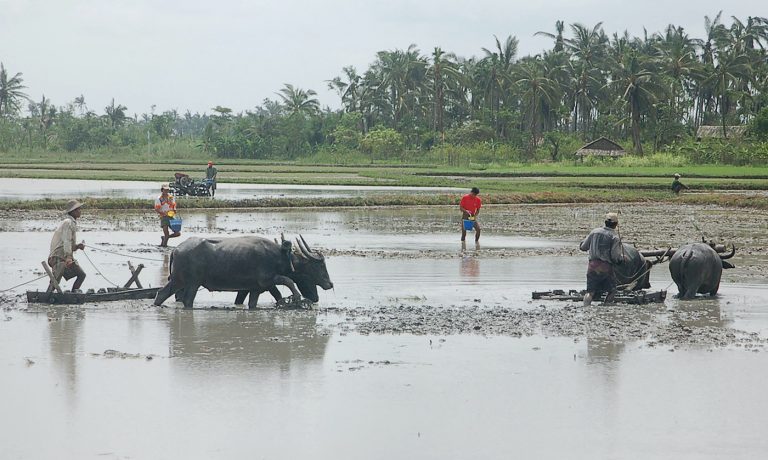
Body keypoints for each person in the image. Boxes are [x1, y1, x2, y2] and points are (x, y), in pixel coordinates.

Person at [579, 212, 626, 307]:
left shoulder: (594, 232)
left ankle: (585, 308)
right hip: (606, 268)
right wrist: (621, 259)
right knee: (612, 291)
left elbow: (583, 247)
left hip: (592, 266)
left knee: (590, 292)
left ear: (605, 222)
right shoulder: (615, 237)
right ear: (616, 225)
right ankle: (606, 307)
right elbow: (615, 257)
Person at [48, 200, 86, 292]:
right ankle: (47, 296)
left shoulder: (70, 223)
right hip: (58, 257)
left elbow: (70, 245)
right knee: (55, 281)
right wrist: (68, 257)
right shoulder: (68, 222)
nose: (80, 211)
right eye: (78, 209)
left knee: (81, 275)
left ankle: (74, 295)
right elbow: (66, 241)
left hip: (63, 256)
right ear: (72, 211)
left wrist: (77, 246)